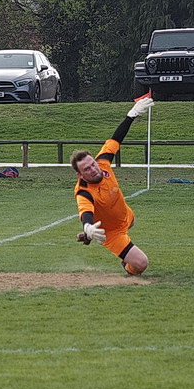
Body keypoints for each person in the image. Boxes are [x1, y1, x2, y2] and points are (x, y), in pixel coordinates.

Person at [70, 97, 154, 275]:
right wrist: (88, 227)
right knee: (141, 264)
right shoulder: (83, 192)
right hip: (111, 232)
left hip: (126, 216)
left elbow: (116, 138)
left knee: (133, 221)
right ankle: (126, 265)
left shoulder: (103, 162)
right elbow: (85, 213)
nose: (93, 169)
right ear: (80, 175)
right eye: (87, 169)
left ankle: (87, 236)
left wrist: (132, 115)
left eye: (92, 164)